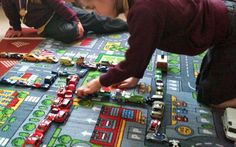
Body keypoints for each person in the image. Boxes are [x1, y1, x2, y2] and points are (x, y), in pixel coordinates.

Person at [76, 0, 236, 108]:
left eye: (92, 6)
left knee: (211, 99)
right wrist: (136, 76)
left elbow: (133, 61)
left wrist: (99, 82)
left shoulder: (143, 11)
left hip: (229, 29)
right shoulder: (137, 6)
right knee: (204, 82)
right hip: (219, 23)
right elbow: (145, 45)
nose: (95, 12)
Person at [2, 0, 128, 43]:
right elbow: (11, 13)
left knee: (94, 19)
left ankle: (129, 25)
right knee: (69, 33)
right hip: (46, 24)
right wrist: (16, 28)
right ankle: (79, 29)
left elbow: (59, 5)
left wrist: (75, 19)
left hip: (61, 10)